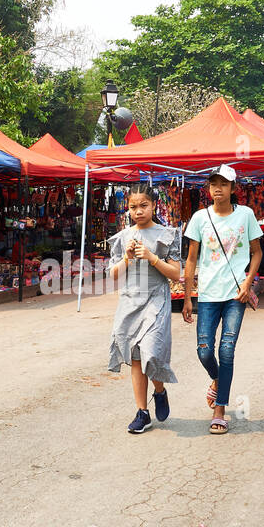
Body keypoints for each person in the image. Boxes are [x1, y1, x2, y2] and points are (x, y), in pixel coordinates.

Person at [181, 165, 263, 435]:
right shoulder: (199, 218)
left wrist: (248, 283)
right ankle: (217, 379)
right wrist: (188, 297)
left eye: (224, 184)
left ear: (233, 188)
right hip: (207, 294)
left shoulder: (246, 215)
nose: (218, 188)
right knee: (204, 350)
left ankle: (220, 409)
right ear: (208, 189)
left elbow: (257, 253)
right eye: (213, 184)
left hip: (235, 294)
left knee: (226, 349)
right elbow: (191, 258)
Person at [108, 186, 182, 434]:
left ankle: (159, 391)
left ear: (154, 206)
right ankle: (142, 412)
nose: (138, 211)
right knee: (136, 358)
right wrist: (127, 258)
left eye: (143, 205)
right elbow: (113, 275)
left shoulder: (167, 234)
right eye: (133, 207)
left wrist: (151, 257)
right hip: (130, 302)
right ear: (127, 208)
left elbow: (176, 274)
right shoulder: (123, 237)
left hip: (156, 300)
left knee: (151, 352)